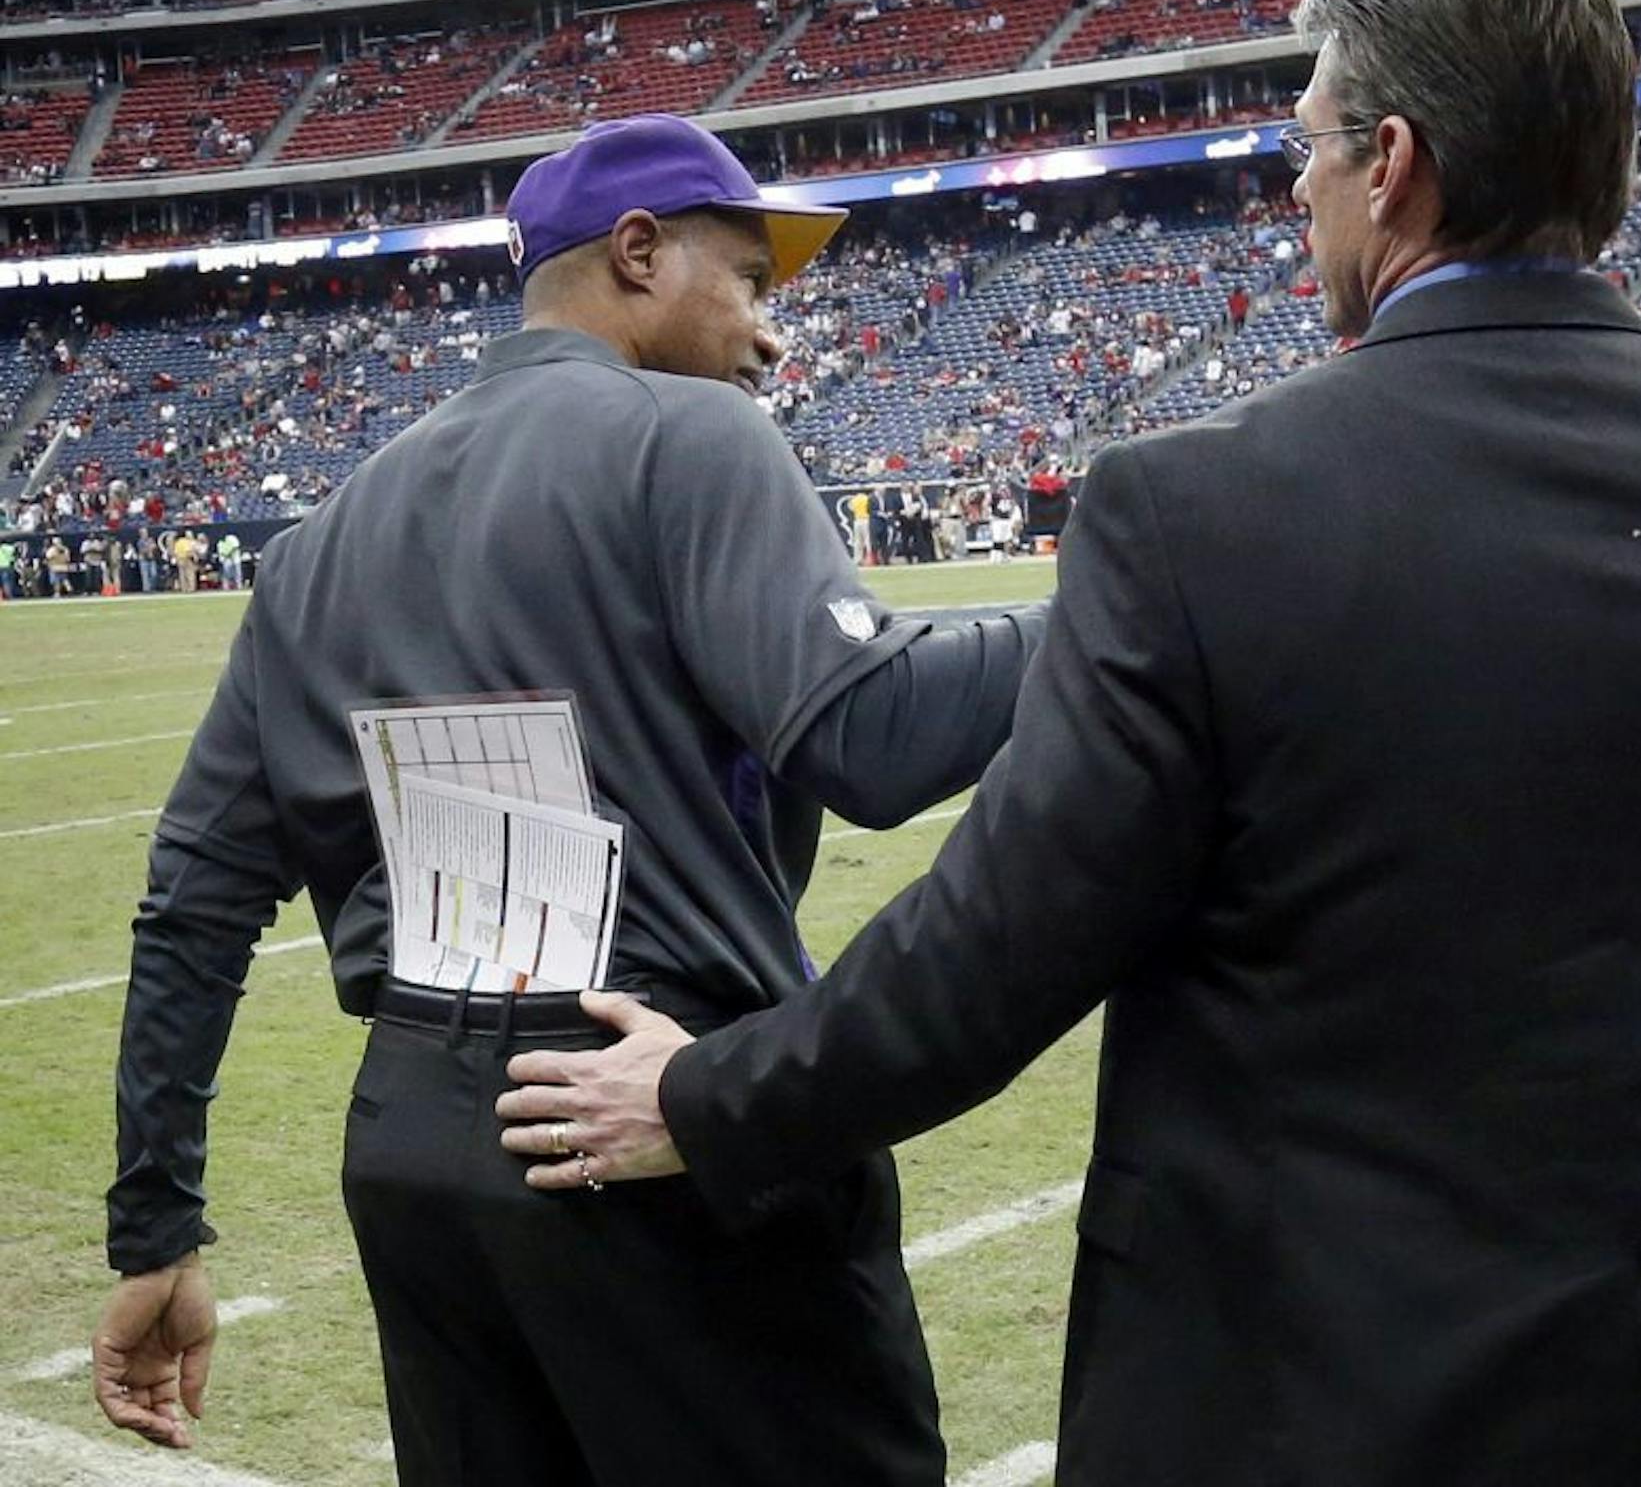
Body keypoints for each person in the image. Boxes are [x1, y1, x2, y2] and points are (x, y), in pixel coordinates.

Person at [500, 0, 1641, 1484]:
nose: (1293, 184)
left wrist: (706, 1094)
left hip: (1347, 1378)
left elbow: (990, 955)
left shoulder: (1203, 511)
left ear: (1391, 162)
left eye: (1306, 143)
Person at [91, 114, 1049, 1486]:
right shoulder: (689, 438)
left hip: (421, 1148)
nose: (773, 337)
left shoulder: (320, 540)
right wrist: (1121, 596)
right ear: (641, 253)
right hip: (657, 1109)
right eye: (752, 282)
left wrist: (156, 1224)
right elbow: (879, 734)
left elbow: (195, 900)